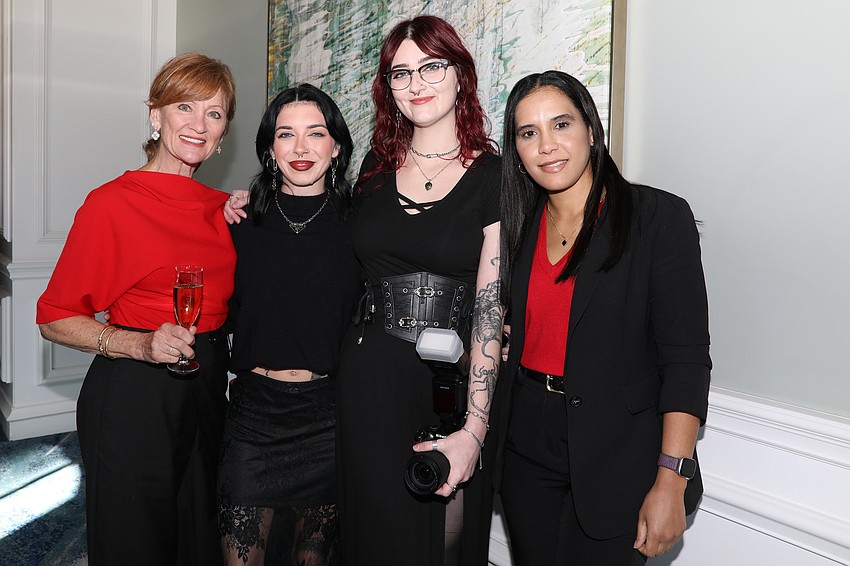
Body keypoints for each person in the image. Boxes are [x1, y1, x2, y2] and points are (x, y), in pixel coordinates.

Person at [495, 70, 711, 565]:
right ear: (517, 150)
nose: (547, 145)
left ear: (592, 130)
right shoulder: (518, 225)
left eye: (561, 125)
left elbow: (686, 361)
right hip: (527, 443)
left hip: (620, 450)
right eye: (528, 133)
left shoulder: (657, 217)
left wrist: (671, 479)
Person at [36, 53, 236, 566]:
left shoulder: (221, 208)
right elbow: (54, 316)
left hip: (207, 388)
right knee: (135, 541)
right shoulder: (112, 204)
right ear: (155, 114)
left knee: (198, 536)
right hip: (134, 391)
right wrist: (139, 344)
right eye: (185, 107)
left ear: (223, 132)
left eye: (214, 114)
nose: (198, 124)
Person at [335, 15, 503, 566]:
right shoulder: (374, 171)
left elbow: (489, 305)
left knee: (444, 544)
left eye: (431, 66)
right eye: (400, 73)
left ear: (460, 75)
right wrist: (246, 200)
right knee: (376, 539)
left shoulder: (495, 175)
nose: (416, 83)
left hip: (449, 382)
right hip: (369, 379)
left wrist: (475, 430)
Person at [217, 84, 360, 566]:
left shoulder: (361, 226)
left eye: (315, 134)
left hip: (328, 418)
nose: (300, 149)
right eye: (286, 135)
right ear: (269, 148)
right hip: (254, 414)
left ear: (335, 146)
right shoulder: (238, 221)